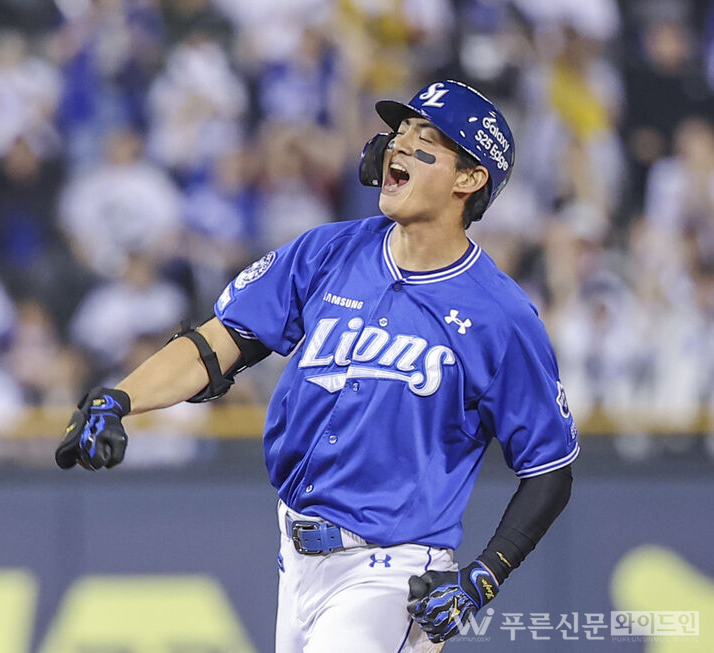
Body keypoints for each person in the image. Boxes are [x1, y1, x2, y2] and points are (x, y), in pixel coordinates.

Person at [56, 80, 578, 652]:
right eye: (400, 132)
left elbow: (549, 467)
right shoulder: (328, 251)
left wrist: (485, 575)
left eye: (426, 139)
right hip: (296, 556)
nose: (400, 145)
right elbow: (218, 342)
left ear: (469, 179)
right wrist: (119, 399)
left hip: (392, 574)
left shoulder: (500, 315)